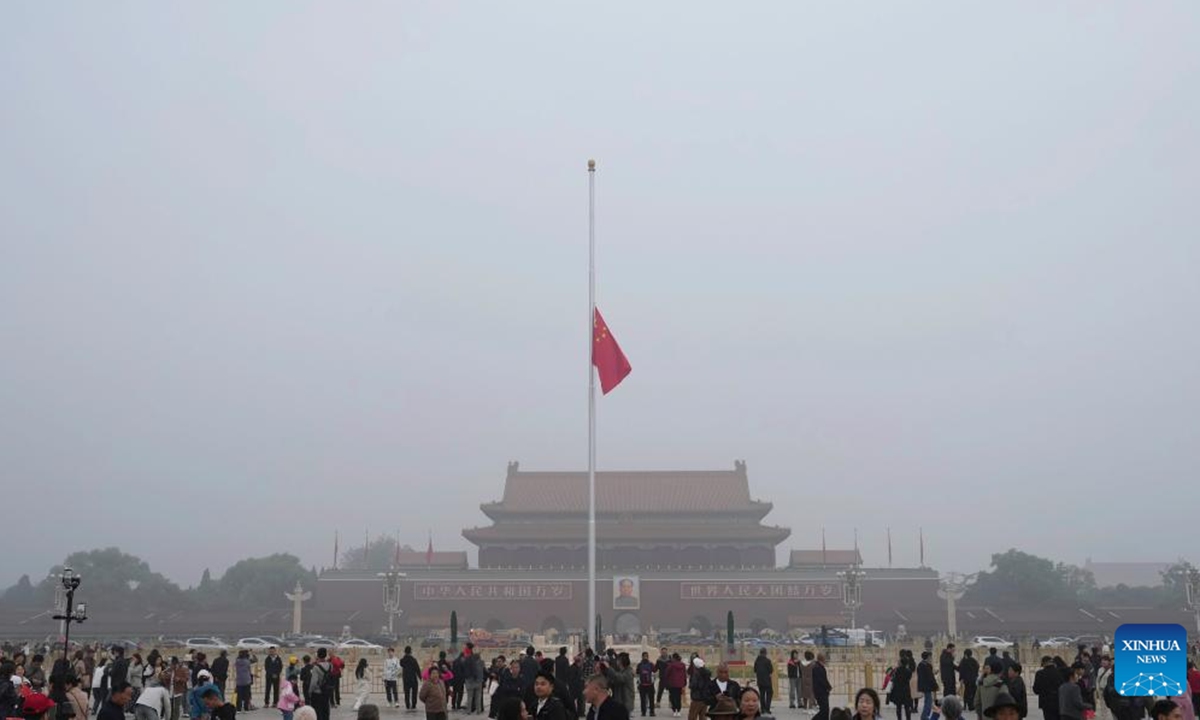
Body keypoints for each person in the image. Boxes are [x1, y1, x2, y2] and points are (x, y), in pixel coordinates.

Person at [307, 649, 333, 720]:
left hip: (317, 692)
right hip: (326, 691)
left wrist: (309, 692)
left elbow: (313, 682)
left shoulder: (316, 667)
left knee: (318, 712)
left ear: (318, 655)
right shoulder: (330, 665)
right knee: (325, 710)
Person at [889, 653, 915, 720]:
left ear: (900, 662)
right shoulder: (909, 671)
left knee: (898, 707)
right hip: (906, 690)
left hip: (898, 690)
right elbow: (909, 678)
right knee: (907, 707)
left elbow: (893, 678)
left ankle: (899, 719)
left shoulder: (897, 670)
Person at [662, 655, 686, 719]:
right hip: (680, 684)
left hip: (672, 684)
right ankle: (678, 710)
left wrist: (666, 682)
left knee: (672, 697)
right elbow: (684, 674)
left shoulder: (671, 665)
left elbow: (666, 673)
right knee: (678, 697)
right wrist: (684, 682)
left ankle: (674, 709)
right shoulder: (683, 665)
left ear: (674, 658)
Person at [918, 652, 939, 720]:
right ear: (928, 657)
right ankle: (924, 716)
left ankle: (925, 715)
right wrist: (935, 685)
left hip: (923, 685)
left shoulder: (920, 664)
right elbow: (930, 677)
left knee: (927, 700)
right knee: (928, 701)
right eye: (930, 657)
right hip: (928, 686)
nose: (931, 658)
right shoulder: (927, 665)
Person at [636, 653, 656, 718]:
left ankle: (650, 712)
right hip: (644, 684)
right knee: (643, 699)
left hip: (649, 684)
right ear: (642, 657)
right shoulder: (649, 664)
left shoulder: (642, 664)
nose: (645, 657)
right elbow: (637, 673)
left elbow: (654, 671)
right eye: (644, 656)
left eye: (646, 656)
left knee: (650, 699)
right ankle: (645, 712)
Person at [753, 650, 774, 715]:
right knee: (769, 693)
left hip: (760, 681)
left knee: (762, 695)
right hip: (767, 681)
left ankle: (762, 709)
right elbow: (771, 670)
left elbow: (755, 670)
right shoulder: (767, 661)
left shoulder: (757, 661)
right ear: (765, 653)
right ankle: (767, 709)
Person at [812, 654, 832, 720]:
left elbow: (824, 679)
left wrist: (828, 686)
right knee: (824, 710)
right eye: (825, 659)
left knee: (826, 710)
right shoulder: (817, 668)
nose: (826, 660)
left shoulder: (820, 667)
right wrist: (827, 687)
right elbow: (821, 680)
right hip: (820, 692)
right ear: (822, 660)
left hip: (823, 691)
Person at [401, 647, 422, 712]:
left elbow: (402, 665)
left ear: (405, 652)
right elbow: (417, 669)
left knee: (407, 692)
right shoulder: (413, 660)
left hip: (406, 678)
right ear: (411, 652)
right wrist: (420, 677)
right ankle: (413, 704)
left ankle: (407, 704)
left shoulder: (402, 660)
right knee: (414, 692)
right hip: (413, 678)